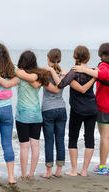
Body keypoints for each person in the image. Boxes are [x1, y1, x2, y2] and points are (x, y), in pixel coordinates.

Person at [50, 45, 109, 176]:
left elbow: (60, 85)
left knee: (73, 138)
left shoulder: (74, 71)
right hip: (92, 109)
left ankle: (73, 170)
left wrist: (55, 73)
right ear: (88, 57)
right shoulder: (94, 71)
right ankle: (84, 171)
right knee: (89, 139)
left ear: (74, 57)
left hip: (77, 110)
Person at [73, 43, 109, 176]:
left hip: (106, 105)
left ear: (99, 54)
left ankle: (102, 166)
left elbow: (102, 75)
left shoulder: (103, 65)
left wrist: (84, 70)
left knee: (105, 136)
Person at [15, 50, 59, 180]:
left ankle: (23, 175)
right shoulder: (40, 76)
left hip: (22, 114)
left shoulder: (20, 75)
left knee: (24, 146)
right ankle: (31, 174)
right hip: (36, 115)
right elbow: (56, 89)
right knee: (35, 145)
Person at [41, 49, 67, 178]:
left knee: (49, 141)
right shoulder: (63, 74)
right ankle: (59, 171)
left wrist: (50, 70)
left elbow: (56, 89)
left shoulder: (45, 74)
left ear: (48, 59)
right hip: (61, 108)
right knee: (60, 140)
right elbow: (60, 85)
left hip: (48, 110)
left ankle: (49, 172)